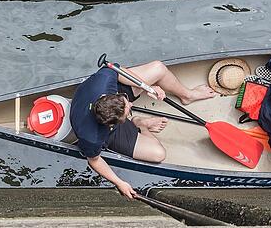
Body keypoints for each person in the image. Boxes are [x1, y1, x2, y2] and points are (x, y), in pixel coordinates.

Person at [69, 61, 215, 199]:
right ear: (118, 122)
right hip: (109, 131)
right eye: (128, 111)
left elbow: (120, 72)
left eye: (126, 102)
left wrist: (147, 87)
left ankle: (187, 95)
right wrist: (120, 183)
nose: (131, 105)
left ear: (109, 96)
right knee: (158, 154)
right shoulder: (92, 137)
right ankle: (139, 123)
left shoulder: (104, 81)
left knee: (158, 68)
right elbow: (94, 161)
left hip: (107, 107)